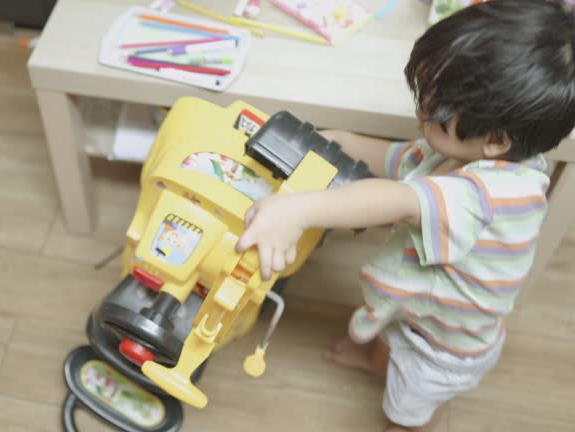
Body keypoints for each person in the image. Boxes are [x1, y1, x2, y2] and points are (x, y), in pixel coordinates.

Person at [235, 1, 575, 430]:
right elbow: (395, 160)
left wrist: (298, 210)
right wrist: (338, 140)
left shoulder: (487, 196)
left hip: (441, 348)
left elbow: (396, 197)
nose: (420, 111)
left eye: (434, 110)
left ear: (494, 139)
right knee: (394, 328)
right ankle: (377, 360)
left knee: (406, 411)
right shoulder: (463, 151)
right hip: (421, 305)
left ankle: (416, 419)